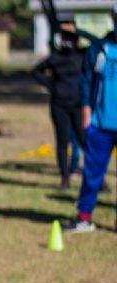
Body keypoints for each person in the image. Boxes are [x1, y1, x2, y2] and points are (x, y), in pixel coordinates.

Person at [65, 6, 117, 233]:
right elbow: (86, 81)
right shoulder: (99, 49)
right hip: (100, 124)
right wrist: (86, 110)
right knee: (92, 173)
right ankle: (84, 217)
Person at [31, 24, 86, 190]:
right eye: (64, 38)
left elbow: (98, 41)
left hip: (78, 105)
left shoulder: (82, 55)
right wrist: (51, 85)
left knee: (85, 142)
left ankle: (97, 178)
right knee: (62, 141)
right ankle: (64, 177)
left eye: (69, 38)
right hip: (59, 104)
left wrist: (78, 30)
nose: (66, 41)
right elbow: (36, 72)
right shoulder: (56, 57)